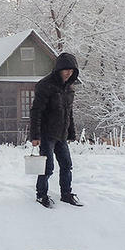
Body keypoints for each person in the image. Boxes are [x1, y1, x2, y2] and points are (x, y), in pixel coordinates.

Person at [29, 52, 83, 208]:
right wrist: (35, 135)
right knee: (47, 167)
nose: (69, 73)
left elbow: (69, 112)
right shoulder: (45, 85)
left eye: (72, 71)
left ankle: (66, 194)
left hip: (62, 134)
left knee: (66, 165)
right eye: (66, 69)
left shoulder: (69, 88)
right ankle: (41, 195)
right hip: (46, 134)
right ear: (58, 69)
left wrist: (71, 132)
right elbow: (36, 111)